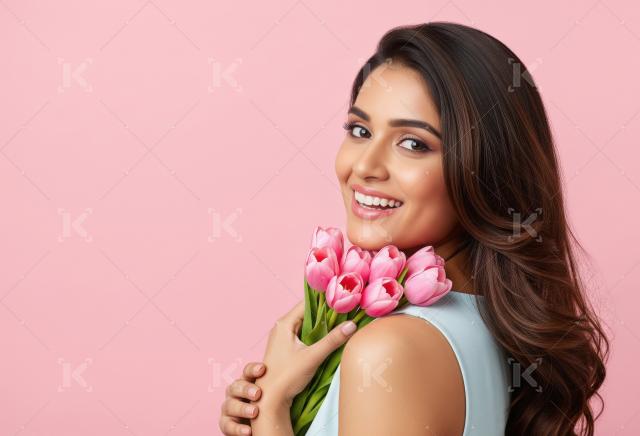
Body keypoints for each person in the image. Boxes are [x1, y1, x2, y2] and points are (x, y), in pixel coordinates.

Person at [219, 21, 609, 436]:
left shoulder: (390, 350)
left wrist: (270, 410)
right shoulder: (486, 324)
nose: (365, 166)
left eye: (413, 143)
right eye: (360, 131)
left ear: (485, 169)